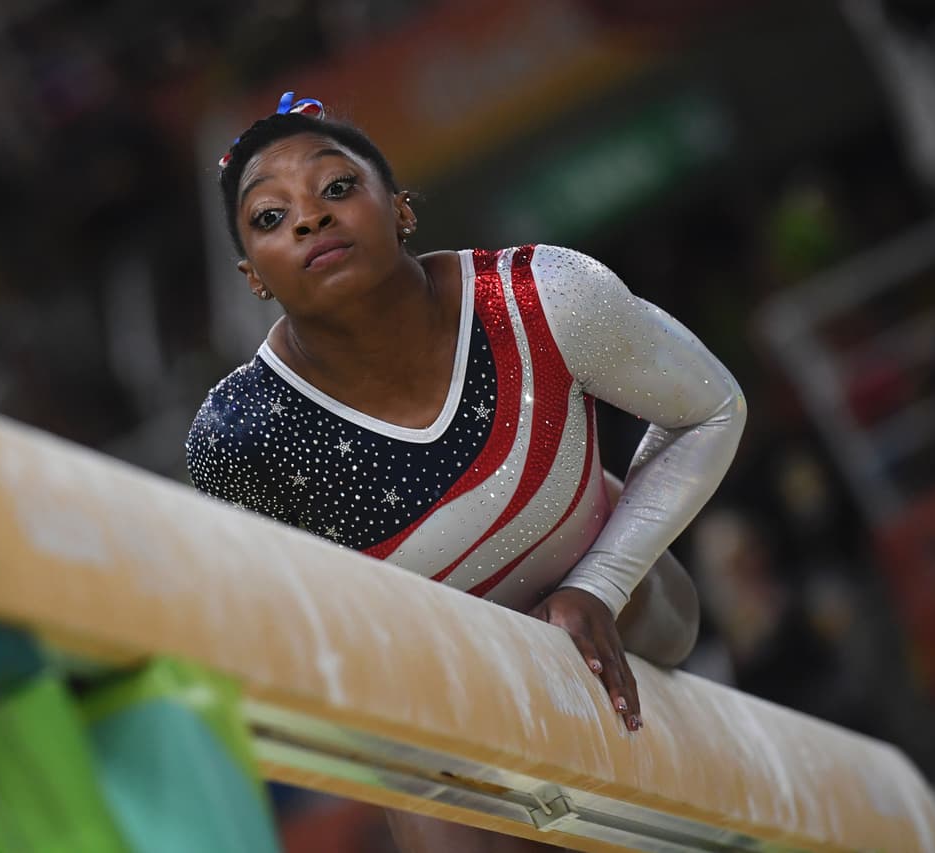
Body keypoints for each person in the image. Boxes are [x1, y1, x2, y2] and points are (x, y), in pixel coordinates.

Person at [186, 92, 747, 852]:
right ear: (253, 275)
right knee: (434, 795)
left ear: (402, 209)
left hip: (629, 611)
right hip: (449, 688)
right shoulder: (244, 435)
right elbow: (293, 634)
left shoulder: (543, 297)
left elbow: (712, 409)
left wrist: (600, 582)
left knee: (663, 626)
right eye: (270, 217)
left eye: (338, 188)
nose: (310, 218)